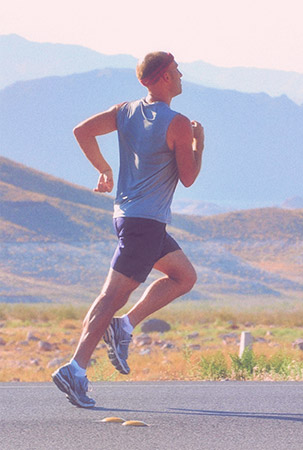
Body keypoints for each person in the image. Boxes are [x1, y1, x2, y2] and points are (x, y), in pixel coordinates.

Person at [52, 51, 204, 408]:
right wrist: (199, 142)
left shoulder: (125, 111)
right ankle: (75, 369)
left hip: (131, 218)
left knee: (184, 276)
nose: (182, 76)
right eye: (178, 71)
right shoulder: (178, 123)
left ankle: (124, 326)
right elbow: (189, 178)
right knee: (110, 297)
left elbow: (82, 131)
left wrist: (103, 169)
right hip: (145, 224)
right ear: (164, 76)